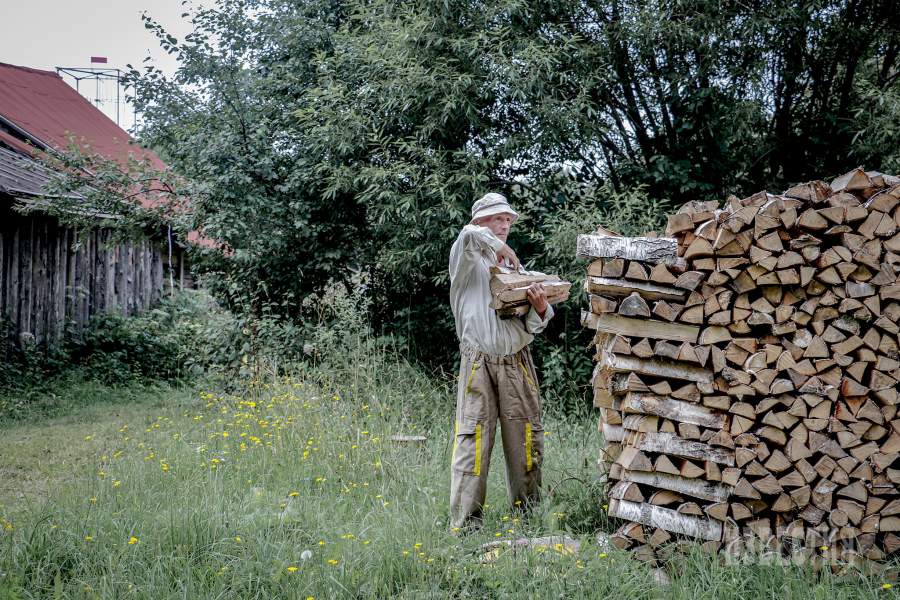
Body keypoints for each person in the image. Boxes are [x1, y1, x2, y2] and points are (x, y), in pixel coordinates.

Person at [448, 192, 554, 530]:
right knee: (472, 441)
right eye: (498, 219)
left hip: (517, 362)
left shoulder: (514, 267)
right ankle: (466, 525)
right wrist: (497, 244)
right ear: (481, 221)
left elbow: (534, 324)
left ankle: (529, 517)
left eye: (508, 220)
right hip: (478, 362)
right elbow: (467, 235)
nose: (505, 225)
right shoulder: (465, 258)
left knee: (526, 439)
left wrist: (540, 310)